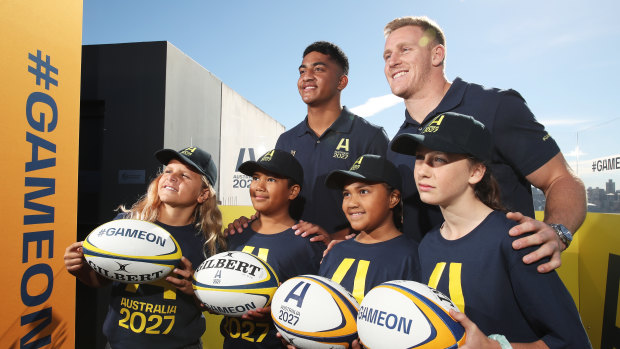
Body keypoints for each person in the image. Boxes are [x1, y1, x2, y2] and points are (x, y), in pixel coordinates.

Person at [383, 16, 586, 272]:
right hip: (427, 299)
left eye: (405, 49)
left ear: (437, 55)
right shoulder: (398, 145)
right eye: (387, 55)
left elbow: (561, 179)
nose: (392, 61)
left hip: (501, 291)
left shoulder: (496, 107)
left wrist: (557, 232)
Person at [391, 112, 591, 348]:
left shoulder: (516, 241)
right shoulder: (428, 244)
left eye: (439, 159)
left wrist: (496, 347)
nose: (422, 170)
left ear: (476, 172)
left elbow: (573, 342)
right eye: (419, 158)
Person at [64, 146, 226, 349]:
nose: (172, 177)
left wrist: (196, 291)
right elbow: (101, 280)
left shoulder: (209, 243)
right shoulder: (126, 223)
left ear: (203, 194)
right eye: (168, 171)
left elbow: (217, 306)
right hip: (120, 345)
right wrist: (80, 269)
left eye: (184, 175)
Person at [229, 41, 389, 242]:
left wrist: (334, 239)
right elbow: (276, 204)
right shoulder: (287, 140)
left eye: (319, 69)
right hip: (291, 253)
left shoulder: (369, 137)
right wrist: (252, 224)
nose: (307, 77)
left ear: (342, 82)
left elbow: (384, 209)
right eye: (302, 71)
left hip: (344, 257)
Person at [221, 149, 325, 348]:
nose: (259, 186)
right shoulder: (234, 235)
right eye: (255, 178)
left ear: (293, 191)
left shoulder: (307, 243)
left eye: (271, 180)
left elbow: (317, 306)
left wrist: (279, 310)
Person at [320, 154, 419, 303]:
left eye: (363, 191)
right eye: (346, 194)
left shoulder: (412, 256)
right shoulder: (335, 252)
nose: (351, 203)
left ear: (393, 198)